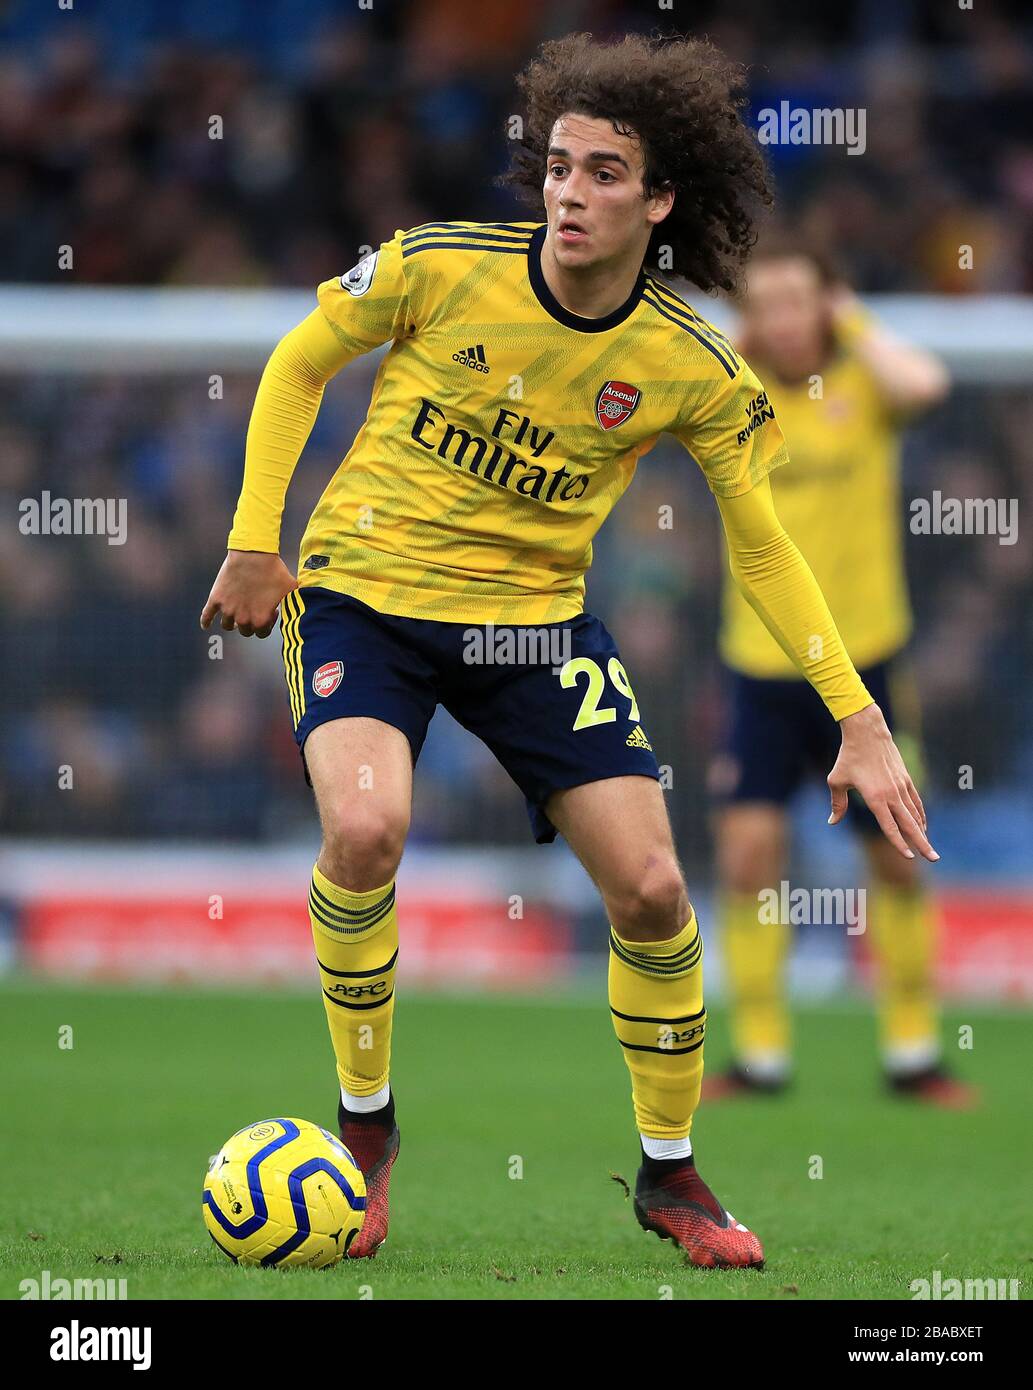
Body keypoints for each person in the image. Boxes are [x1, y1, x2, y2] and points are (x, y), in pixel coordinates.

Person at [200, 33, 936, 1270]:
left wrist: (859, 718)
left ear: (658, 201)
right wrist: (252, 541)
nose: (570, 194)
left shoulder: (689, 361)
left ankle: (670, 1175)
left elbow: (762, 548)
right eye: (557, 167)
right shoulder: (437, 267)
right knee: (367, 830)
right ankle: (365, 1132)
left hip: (535, 630)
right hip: (364, 602)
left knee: (653, 889)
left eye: (604, 173)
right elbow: (298, 360)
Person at [708, 237, 976, 1107]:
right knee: (748, 853)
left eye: (799, 300)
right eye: (764, 304)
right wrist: (732, 342)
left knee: (894, 857)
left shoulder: (863, 382)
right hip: (758, 663)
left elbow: (926, 384)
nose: (783, 320)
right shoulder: (730, 394)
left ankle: (911, 1051)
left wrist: (850, 314)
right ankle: (760, 1055)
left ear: (826, 306)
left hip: (864, 669)